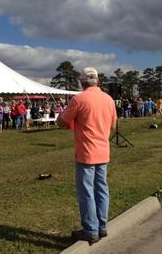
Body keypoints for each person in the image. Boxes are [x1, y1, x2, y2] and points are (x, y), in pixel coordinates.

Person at [57, 67, 117, 244]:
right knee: (102, 190)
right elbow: (113, 126)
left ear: (82, 82)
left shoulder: (79, 99)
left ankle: (91, 229)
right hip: (103, 151)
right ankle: (102, 226)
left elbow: (62, 122)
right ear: (98, 81)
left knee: (86, 192)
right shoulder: (108, 99)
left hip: (86, 153)